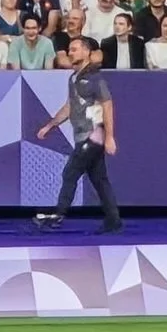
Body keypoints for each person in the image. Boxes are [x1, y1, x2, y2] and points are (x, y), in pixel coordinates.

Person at [34, 35, 121, 233]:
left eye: (74, 49)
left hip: (93, 136)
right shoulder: (74, 78)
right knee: (100, 179)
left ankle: (58, 215)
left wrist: (109, 137)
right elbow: (69, 107)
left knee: (70, 172)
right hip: (82, 135)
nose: (70, 53)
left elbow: (107, 106)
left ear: (86, 51)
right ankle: (113, 220)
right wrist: (50, 125)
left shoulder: (95, 79)